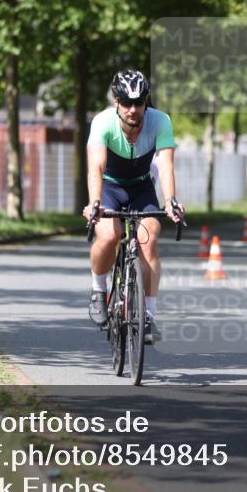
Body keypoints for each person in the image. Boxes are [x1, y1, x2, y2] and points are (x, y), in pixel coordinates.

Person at [83, 69, 184, 343]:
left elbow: (165, 165)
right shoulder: (103, 122)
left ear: (145, 102)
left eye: (138, 103)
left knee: (148, 241)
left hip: (141, 187)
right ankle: (98, 290)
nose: (132, 109)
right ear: (116, 101)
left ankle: (148, 316)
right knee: (109, 235)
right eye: (126, 103)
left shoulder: (160, 121)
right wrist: (94, 203)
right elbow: (96, 166)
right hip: (109, 186)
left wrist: (171, 201)